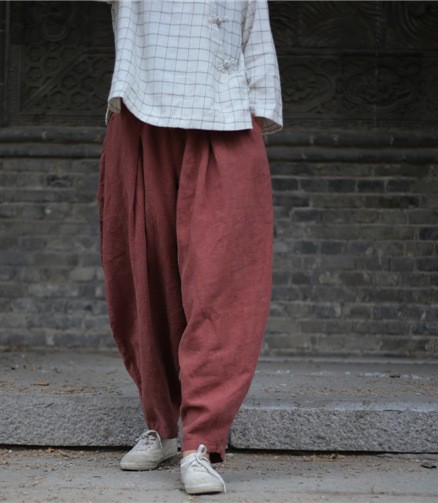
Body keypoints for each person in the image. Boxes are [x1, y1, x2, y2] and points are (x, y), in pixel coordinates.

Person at [98, 0, 282, 495]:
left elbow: (254, 28)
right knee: (143, 274)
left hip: (224, 112)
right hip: (141, 107)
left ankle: (200, 441)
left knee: (223, 284)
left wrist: (259, 111)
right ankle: (161, 424)